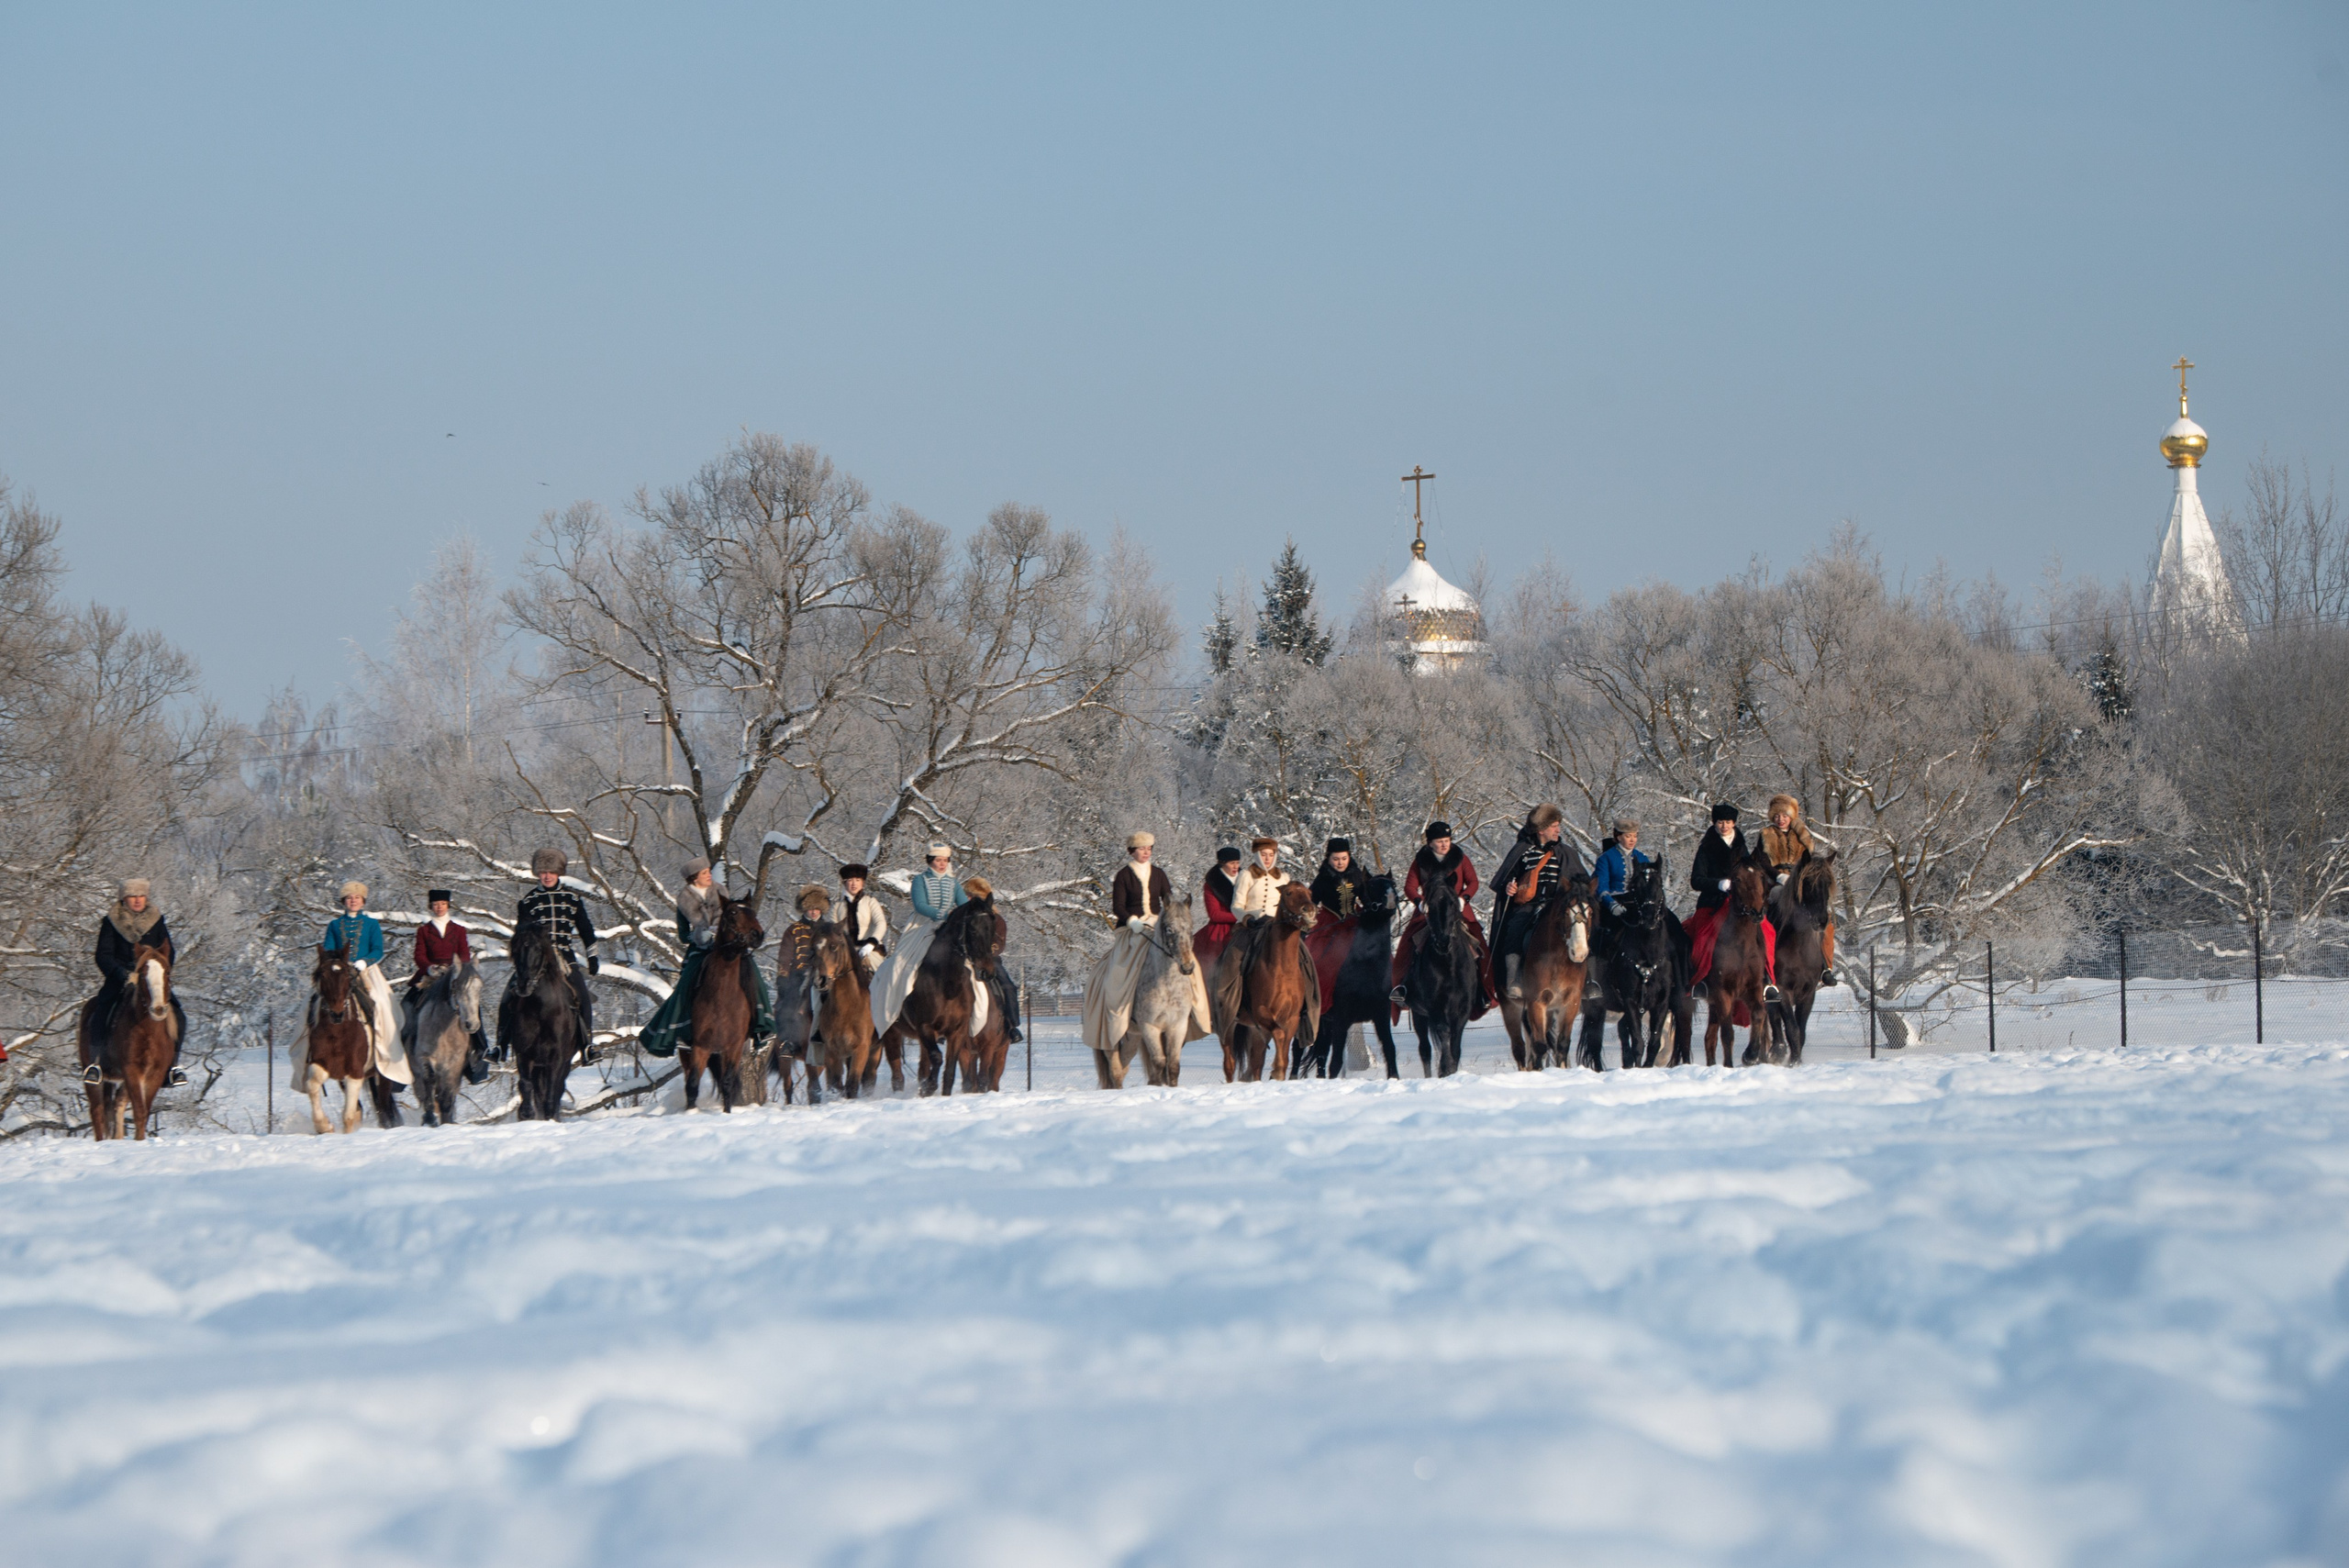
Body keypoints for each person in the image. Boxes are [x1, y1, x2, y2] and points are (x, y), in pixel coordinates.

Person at [1085, 831, 1208, 1062]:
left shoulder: (1159, 873)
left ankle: (1195, 1012)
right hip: (1131, 929)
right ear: (1132, 851)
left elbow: (1168, 900)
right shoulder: (1123, 875)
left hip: (1158, 926)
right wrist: (1131, 920)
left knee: (1191, 964)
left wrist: (1169, 917)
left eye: (1149, 848)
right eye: (1142, 849)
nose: (1146, 852)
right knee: (1120, 970)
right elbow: (1118, 905)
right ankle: (1119, 1010)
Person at [88, 876, 188, 1085]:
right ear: (124, 898)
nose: (137, 900)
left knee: (179, 1014)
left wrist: (159, 970)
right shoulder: (111, 921)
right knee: (102, 1010)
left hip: (150, 980)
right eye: (132, 896)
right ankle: (96, 1063)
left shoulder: (156, 919)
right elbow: (103, 955)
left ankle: (173, 1067)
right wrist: (121, 974)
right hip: (121, 978)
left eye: (141, 895)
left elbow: (168, 951)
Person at [505, 848, 602, 1060]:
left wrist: (592, 956)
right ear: (538, 874)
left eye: (551, 871)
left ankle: (587, 1046)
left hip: (565, 958)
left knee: (583, 996)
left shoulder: (572, 899)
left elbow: (586, 930)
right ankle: (499, 1047)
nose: (547, 876)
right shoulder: (528, 901)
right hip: (535, 961)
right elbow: (521, 934)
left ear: (559, 873)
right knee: (508, 996)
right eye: (543, 872)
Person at [1389, 821, 1493, 1010]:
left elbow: (1473, 882)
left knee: (1478, 943)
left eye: (1447, 840)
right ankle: (1404, 986)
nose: (1445, 844)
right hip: (1429, 912)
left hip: (1458, 911)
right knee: (1408, 944)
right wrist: (1421, 902)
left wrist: (1463, 899)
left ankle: (1482, 989)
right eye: (1440, 841)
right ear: (1430, 843)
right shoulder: (1420, 862)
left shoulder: (1460, 858)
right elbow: (1410, 886)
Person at [1490, 805, 1585, 1001]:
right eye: (1554, 826)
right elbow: (1509, 877)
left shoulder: (1566, 853)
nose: (1558, 830)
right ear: (1541, 829)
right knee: (1514, 930)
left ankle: (1587, 980)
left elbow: (1580, 880)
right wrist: (1510, 887)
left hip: (1558, 906)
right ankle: (1514, 978)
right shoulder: (1522, 851)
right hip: (1529, 906)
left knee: (1581, 929)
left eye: (1558, 825)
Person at [1687, 804, 1778, 1003]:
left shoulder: (1742, 847)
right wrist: (1719, 884)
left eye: (1728, 822)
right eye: (1720, 822)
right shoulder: (1706, 849)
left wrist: (1774, 879)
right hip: (1712, 902)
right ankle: (1701, 981)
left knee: (1768, 931)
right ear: (1715, 823)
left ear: (1734, 823)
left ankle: (1768, 979)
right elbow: (1696, 880)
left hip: (1739, 903)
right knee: (1702, 937)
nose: (1724, 826)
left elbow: (1753, 872)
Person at [405, 888, 489, 1080]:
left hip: (455, 976)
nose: (439, 907)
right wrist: (431, 968)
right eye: (435, 905)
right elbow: (419, 955)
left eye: (442, 904)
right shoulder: (424, 930)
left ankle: (481, 1052)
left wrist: (456, 968)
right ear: (431, 907)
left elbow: (465, 954)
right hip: (431, 977)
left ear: (448, 905)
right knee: (407, 1006)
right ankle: (404, 1047)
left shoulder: (459, 930)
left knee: (472, 1008)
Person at [1760, 794, 1835, 985]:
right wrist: (1778, 876)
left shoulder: (1802, 835)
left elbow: (1811, 861)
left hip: (1800, 882)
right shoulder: (1766, 834)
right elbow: (1761, 861)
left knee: (1824, 920)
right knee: (1770, 909)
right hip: (1776, 882)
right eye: (1777, 815)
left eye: (1784, 815)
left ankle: (1825, 966)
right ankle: (1767, 960)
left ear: (1791, 816)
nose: (1781, 819)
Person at [1195, 846, 1243, 973]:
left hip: (1245, 925)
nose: (1235, 867)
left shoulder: (1245, 879)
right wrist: (1241, 916)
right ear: (1222, 863)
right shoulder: (1212, 884)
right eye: (1232, 863)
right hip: (1221, 930)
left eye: (1237, 863)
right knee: (1213, 966)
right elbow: (1214, 914)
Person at [838, 863, 889, 979]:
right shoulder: (837, 907)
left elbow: (881, 923)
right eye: (850, 880)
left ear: (863, 883)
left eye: (857, 880)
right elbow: (832, 931)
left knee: (883, 978)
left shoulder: (871, 902)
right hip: (844, 952)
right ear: (845, 883)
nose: (854, 883)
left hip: (869, 951)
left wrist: (871, 944)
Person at [1231, 837, 1290, 920]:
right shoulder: (1246, 875)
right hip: (1252, 925)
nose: (1267, 859)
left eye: (1271, 855)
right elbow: (1236, 906)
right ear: (1257, 855)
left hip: (1276, 925)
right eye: (1263, 855)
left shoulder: (1284, 878)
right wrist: (1246, 919)